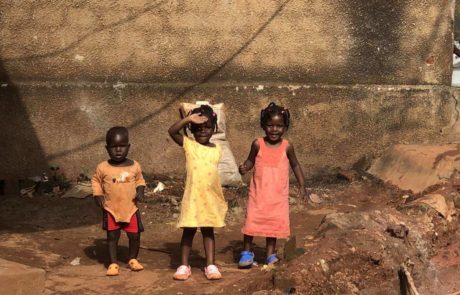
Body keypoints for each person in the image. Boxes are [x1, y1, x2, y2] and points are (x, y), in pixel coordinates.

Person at [238, 102, 306, 268]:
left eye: (279, 126)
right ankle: (246, 253)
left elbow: (295, 165)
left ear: (285, 127)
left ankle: (270, 254)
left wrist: (302, 185)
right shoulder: (257, 144)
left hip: (277, 196)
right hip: (258, 194)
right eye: (270, 125)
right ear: (263, 126)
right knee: (251, 223)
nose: (274, 129)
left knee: (273, 225)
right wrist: (245, 167)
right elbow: (250, 160)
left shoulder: (287, 147)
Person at [168, 104, 228, 281]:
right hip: (193, 198)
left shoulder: (217, 149)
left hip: (210, 198)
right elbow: (172, 132)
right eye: (198, 128)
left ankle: (210, 264)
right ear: (192, 129)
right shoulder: (189, 145)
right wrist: (187, 119)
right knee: (189, 231)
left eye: (207, 127)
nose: (203, 131)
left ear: (214, 129)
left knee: (208, 231)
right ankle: (184, 265)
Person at [91, 126, 146, 276]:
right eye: (114, 147)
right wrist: (98, 195)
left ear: (128, 146)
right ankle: (113, 263)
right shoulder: (103, 167)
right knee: (112, 236)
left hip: (131, 209)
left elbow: (140, 180)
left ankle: (132, 259)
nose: (118, 150)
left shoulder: (134, 165)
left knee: (134, 236)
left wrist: (140, 191)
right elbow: (96, 181)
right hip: (111, 209)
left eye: (122, 146)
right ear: (107, 148)